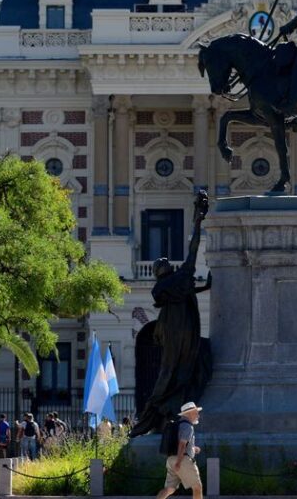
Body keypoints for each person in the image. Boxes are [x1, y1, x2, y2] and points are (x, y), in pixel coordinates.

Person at [131, 191, 212, 437]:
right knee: (173, 371)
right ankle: (155, 413)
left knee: (175, 369)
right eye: (161, 261)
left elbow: (182, 289)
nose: (165, 258)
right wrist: (197, 221)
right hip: (179, 332)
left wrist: (203, 287)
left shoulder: (168, 287)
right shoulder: (170, 283)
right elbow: (192, 250)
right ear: (158, 271)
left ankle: (156, 413)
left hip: (177, 332)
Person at [156, 402, 203, 499]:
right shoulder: (188, 427)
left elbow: (178, 444)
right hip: (182, 460)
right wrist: (179, 462)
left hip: (171, 459)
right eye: (196, 413)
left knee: (169, 489)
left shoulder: (178, 425)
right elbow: (182, 445)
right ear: (189, 413)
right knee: (197, 487)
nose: (198, 415)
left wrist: (193, 449)